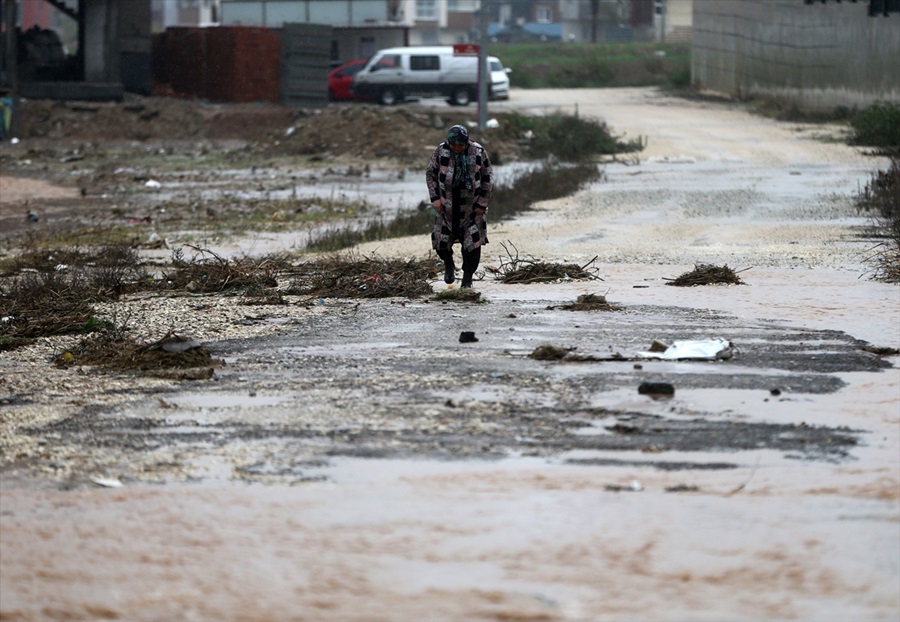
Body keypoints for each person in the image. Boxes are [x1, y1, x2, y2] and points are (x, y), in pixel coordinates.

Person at [425, 124, 493, 288]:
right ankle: (448, 263)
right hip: (446, 208)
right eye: (453, 144)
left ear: (466, 142)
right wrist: (435, 199)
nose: (457, 148)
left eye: (460, 145)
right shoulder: (441, 151)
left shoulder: (478, 151)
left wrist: (482, 204)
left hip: (472, 210)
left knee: (472, 247)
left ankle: (467, 280)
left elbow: (487, 177)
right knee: (441, 243)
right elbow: (430, 174)